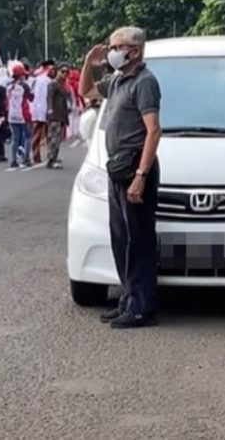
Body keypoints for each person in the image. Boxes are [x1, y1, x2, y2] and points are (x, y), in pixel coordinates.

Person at [79, 26, 162, 329]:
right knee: (121, 238)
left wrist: (141, 174)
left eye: (117, 47)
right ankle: (127, 299)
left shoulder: (145, 82)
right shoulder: (117, 81)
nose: (111, 52)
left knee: (139, 240)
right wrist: (89, 62)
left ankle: (142, 306)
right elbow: (86, 92)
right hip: (117, 168)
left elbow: (153, 130)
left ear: (134, 51)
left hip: (135, 168)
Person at [7, 64, 34, 168]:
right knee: (28, 136)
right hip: (23, 114)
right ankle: (26, 159)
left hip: (12, 115)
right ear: (20, 75)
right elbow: (31, 98)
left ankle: (13, 160)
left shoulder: (9, 86)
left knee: (15, 139)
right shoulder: (24, 86)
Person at [46, 64, 70, 169]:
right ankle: (51, 159)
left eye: (67, 72)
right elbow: (49, 97)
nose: (65, 74)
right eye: (63, 71)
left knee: (57, 138)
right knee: (54, 138)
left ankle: (54, 157)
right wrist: (50, 109)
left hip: (61, 115)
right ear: (58, 72)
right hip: (54, 115)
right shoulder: (53, 84)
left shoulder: (63, 85)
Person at [30, 60, 55, 164]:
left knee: (36, 134)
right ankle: (50, 156)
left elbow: (31, 94)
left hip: (36, 109)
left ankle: (36, 156)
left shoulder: (36, 80)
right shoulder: (49, 81)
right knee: (50, 135)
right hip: (47, 110)